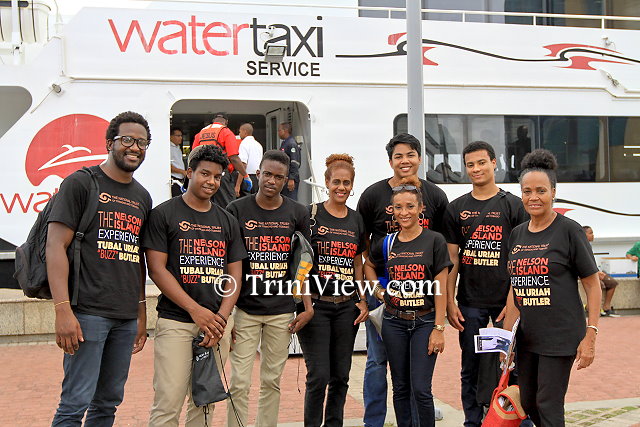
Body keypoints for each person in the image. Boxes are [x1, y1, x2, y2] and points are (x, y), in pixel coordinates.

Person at [48, 111, 153, 425]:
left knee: (107, 403)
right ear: (110, 143)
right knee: (74, 403)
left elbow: (137, 257)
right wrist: (63, 311)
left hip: (125, 317)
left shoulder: (142, 197)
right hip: (87, 313)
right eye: (127, 140)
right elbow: (55, 246)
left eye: (142, 143)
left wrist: (140, 313)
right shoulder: (81, 183)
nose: (135, 148)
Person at [145, 145, 247, 426]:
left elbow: (234, 276)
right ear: (189, 172)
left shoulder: (227, 221)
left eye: (217, 177)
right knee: (168, 402)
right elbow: (157, 269)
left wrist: (221, 318)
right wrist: (195, 310)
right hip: (176, 322)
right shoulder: (164, 214)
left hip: (216, 326)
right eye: (205, 173)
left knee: (204, 403)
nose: (211, 181)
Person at [503, 149, 601, 426]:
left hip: (560, 336)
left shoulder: (569, 231)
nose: (533, 197)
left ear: (553, 192)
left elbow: (592, 284)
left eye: (541, 191)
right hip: (527, 337)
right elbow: (516, 288)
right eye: (527, 191)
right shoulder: (517, 234)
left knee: (548, 403)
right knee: (529, 401)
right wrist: (506, 341)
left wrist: (591, 334)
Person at [356, 133, 448, 427]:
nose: (404, 161)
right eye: (398, 156)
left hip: (425, 303)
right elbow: (364, 252)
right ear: (390, 161)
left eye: (410, 154)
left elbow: (443, 261)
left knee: (419, 384)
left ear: (419, 158)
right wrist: (377, 290)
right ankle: (374, 422)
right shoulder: (373, 195)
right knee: (378, 363)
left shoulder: (435, 198)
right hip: (387, 300)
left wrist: (440, 322)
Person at [442, 141, 528, 427]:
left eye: (481, 162)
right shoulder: (456, 208)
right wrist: (450, 301)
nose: (476, 169)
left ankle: (516, 420)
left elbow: (520, 258)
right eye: (470, 164)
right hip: (470, 303)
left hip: (507, 302)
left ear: (494, 163)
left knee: (512, 365)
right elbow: (452, 259)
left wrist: (513, 302)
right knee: (471, 366)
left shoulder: (513, 205)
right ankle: (473, 420)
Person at [226, 150, 314, 427]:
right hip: (245, 310)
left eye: (278, 177)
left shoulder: (298, 212)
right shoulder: (236, 210)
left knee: (271, 381)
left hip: (282, 312)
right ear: (258, 173)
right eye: (267, 174)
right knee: (239, 382)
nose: (271, 181)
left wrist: (307, 307)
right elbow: (228, 264)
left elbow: (302, 263)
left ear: (286, 180)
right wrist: (227, 313)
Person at [298, 154, 369, 427]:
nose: (341, 187)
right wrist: (305, 304)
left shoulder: (356, 220)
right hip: (316, 305)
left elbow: (357, 262)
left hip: (346, 307)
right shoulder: (310, 215)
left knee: (341, 376)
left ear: (352, 185)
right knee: (318, 376)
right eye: (336, 182)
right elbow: (300, 261)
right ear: (326, 182)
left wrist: (362, 299)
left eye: (346, 183)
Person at [193, 112, 248, 207]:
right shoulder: (226, 132)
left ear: (213, 121)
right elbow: (233, 158)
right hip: (221, 174)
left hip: (203, 174)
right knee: (227, 205)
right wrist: (245, 176)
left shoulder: (200, 133)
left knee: (204, 204)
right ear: (226, 122)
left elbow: (194, 155)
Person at [583, 225, 620, 317]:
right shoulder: (581, 245)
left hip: (594, 271)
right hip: (585, 273)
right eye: (590, 233)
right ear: (584, 234)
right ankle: (591, 308)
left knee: (612, 283)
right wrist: (595, 273)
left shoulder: (589, 245)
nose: (593, 235)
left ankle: (607, 307)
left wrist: (598, 271)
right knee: (598, 284)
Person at [236, 122, 263, 196]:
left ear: (245, 132)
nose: (239, 134)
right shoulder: (258, 145)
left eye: (240, 132)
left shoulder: (244, 144)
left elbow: (243, 165)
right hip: (257, 178)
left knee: (245, 200)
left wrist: (238, 185)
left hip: (246, 178)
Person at [278, 122, 301, 200]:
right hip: (285, 177)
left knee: (290, 200)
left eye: (279, 130)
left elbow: (295, 162)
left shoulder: (291, 144)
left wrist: (292, 178)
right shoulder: (284, 143)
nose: (278, 132)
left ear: (285, 131)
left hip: (290, 178)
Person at [170, 126, 187, 197]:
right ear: (171, 136)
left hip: (180, 179)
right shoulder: (169, 148)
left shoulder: (178, 148)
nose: (181, 138)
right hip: (174, 179)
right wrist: (182, 172)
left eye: (181, 136)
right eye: (178, 136)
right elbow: (168, 166)